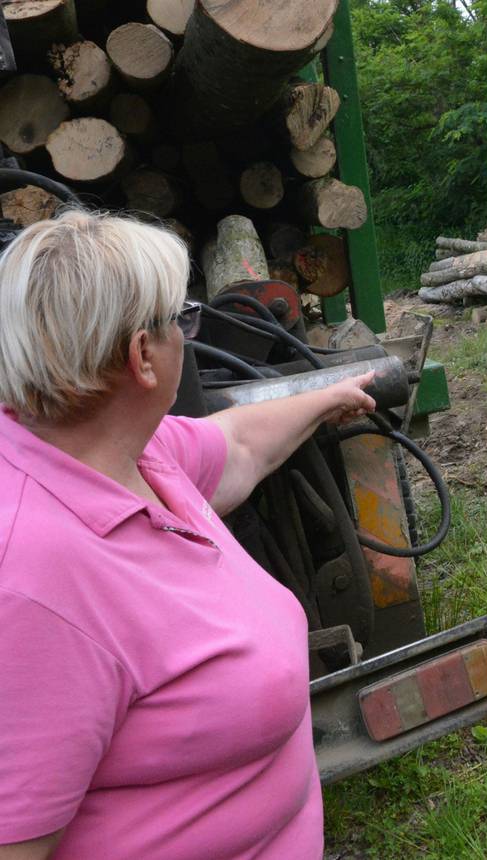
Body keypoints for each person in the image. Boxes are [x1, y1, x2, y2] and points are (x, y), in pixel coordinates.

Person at [0, 211, 377, 859]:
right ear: (142, 357)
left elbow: (234, 446)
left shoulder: (127, 453)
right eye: (183, 319)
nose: (188, 333)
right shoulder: (36, 582)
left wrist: (326, 396)